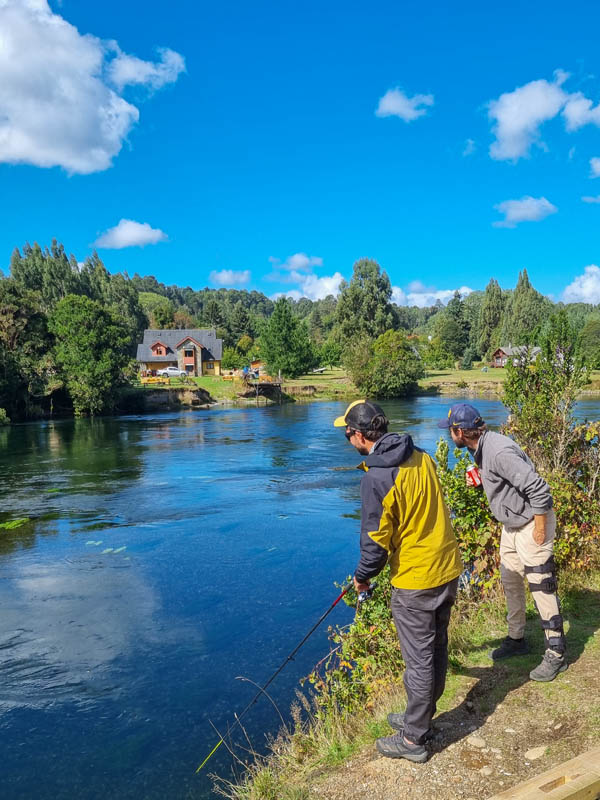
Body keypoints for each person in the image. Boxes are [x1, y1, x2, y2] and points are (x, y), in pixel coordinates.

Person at [334, 399, 463, 763]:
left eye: (347, 433)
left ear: (360, 435)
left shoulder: (377, 478)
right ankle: (419, 717)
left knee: (419, 659)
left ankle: (413, 740)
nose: (347, 439)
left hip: (416, 579)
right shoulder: (420, 455)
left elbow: (375, 545)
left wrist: (362, 579)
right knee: (436, 647)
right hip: (448, 567)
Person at [437, 403, 567, 682]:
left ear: (461, 431)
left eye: (451, 431)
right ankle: (517, 639)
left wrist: (540, 530)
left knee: (541, 586)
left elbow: (538, 488)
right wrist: (482, 479)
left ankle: (557, 653)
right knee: (510, 580)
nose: (450, 434)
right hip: (512, 525)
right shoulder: (481, 449)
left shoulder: (498, 451)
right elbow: (505, 481)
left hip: (533, 523)